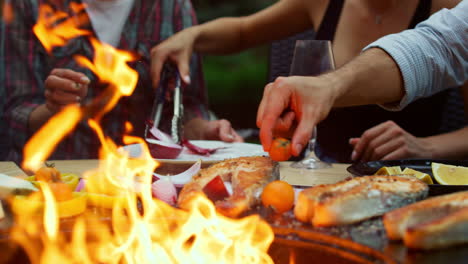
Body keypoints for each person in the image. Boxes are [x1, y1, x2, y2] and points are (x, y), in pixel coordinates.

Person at [151, 0, 465, 163]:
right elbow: (245, 30)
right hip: (317, 177)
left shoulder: (449, 14)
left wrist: (425, 147)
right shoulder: (324, 3)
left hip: (406, 182)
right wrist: (193, 35)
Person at [2, 0, 242, 164]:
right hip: (60, 186)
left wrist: (201, 131)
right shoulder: (29, 5)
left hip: (148, 188)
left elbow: (187, 103)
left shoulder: (170, 5)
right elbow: (13, 114)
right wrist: (54, 110)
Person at [257, 0, 468, 158]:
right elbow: (429, 48)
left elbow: (438, 49)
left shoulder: (450, 7)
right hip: (325, 168)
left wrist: (425, 147)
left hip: (407, 176)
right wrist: (327, 86)